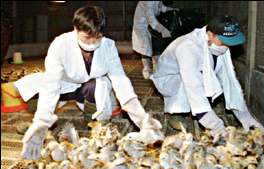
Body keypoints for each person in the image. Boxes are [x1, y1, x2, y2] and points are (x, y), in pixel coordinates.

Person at [6, 6, 162, 160]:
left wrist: (143, 120)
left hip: (88, 89)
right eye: (87, 37)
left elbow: (121, 82)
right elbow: (51, 85)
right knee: (36, 94)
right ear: (75, 29)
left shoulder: (108, 46)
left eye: (97, 36)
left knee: (97, 87)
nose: (93, 42)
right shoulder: (60, 44)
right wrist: (41, 122)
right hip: (62, 85)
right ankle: (35, 127)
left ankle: (92, 120)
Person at [151, 15, 264, 139]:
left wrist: (245, 117)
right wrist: (215, 125)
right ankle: (177, 113)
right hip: (170, 80)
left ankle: (201, 111)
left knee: (209, 79)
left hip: (192, 75)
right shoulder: (188, 47)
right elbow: (193, 86)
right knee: (191, 84)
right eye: (224, 42)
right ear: (210, 34)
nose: (227, 46)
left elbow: (230, 83)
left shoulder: (219, 47)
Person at [132, 1, 178, 79]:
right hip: (141, 27)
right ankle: (147, 70)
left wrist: (172, 9)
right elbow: (152, 20)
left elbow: (162, 8)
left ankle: (156, 69)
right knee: (145, 49)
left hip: (150, 26)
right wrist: (163, 30)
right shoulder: (146, 2)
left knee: (153, 46)